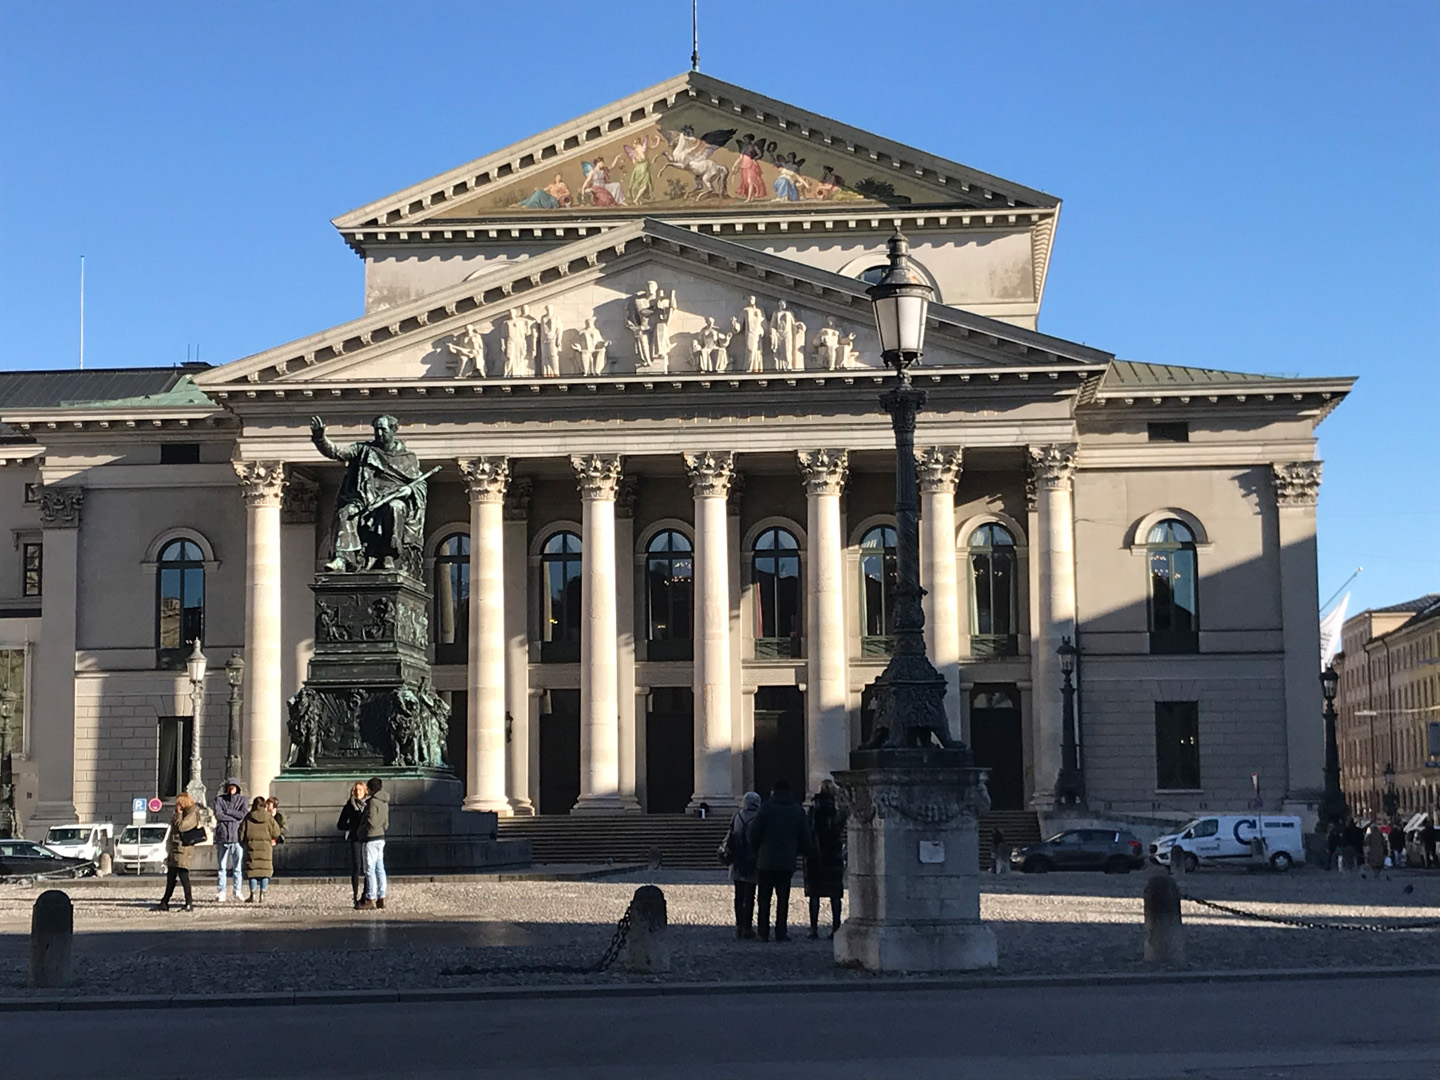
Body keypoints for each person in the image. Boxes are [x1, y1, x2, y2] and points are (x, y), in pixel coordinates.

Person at [746, 779, 815, 942]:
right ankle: (781, 931)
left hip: (766, 860)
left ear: (773, 790)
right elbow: (805, 835)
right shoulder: (797, 810)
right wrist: (800, 852)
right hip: (786, 860)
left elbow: (754, 832)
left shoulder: (766, 808)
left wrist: (756, 850)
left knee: (764, 898)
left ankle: (763, 931)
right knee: (783, 898)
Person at [803, 782, 846, 939]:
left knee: (814, 894)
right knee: (835, 895)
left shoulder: (813, 812)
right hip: (834, 857)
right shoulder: (837, 812)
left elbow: (807, 831)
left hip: (815, 857)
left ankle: (813, 928)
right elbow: (841, 829)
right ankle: (836, 926)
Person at [156, 792, 201, 912]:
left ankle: (189, 903)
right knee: (171, 877)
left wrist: (179, 814)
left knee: (183, 876)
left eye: (178, 803)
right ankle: (164, 902)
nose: (176, 806)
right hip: (175, 849)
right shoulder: (183, 813)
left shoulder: (192, 813)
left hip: (183, 850)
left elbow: (182, 827)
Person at [727, 791, 761, 939]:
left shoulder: (736, 816)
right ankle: (747, 926)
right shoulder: (758, 818)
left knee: (738, 896)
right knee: (750, 895)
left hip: (737, 859)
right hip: (752, 860)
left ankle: (739, 926)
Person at [239, 796, 281, 902]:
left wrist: (244, 843)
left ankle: (252, 894)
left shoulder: (248, 817)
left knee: (252, 871)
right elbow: (277, 832)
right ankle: (263, 893)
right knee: (265, 871)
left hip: (251, 848)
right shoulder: (269, 818)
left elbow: (240, 834)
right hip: (266, 848)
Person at [212, 777, 247, 902]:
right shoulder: (219, 799)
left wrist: (228, 812)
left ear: (237, 788)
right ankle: (222, 891)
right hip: (223, 837)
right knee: (221, 867)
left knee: (237, 867)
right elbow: (218, 815)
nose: (232, 789)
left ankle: (237, 891)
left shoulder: (242, 800)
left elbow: (242, 815)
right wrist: (234, 816)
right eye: (230, 786)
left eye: (234, 786)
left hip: (237, 838)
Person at [358, 775, 390, 910]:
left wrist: (364, 827)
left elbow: (371, 821)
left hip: (371, 837)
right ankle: (381, 896)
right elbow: (386, 822)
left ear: (371, 789)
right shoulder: (384, 802)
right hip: (381, 836)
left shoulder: (372, 802)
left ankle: (370, 898)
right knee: (380, 867)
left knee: (369, 868)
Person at [337, 781, 370, 908]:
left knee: (368, 867)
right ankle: (355, 895)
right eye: (356, 790)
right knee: (357, 867)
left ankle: (365, 894)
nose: (357, 792)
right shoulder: (349, 805)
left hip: (367, 838)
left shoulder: (369, 805)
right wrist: (352, 826)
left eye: (360, 790)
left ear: (365, 791)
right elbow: (340, 824)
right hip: (355, 838)